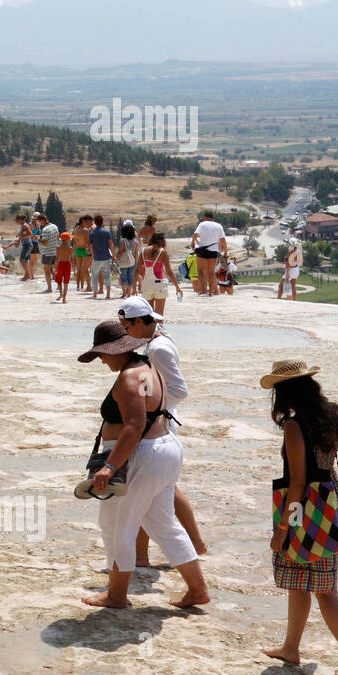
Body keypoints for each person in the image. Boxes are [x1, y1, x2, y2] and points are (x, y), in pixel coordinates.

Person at [76, 320, 210, 609]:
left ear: (116, 350)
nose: (101, 360)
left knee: (116, 526)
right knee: (164, 525)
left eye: (102, 354)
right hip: (165, 449)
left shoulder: (129, 378)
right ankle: (198, 590)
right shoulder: (149, 368)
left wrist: (110, 466)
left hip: (142, 455)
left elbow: (133, 427)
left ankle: (116, 595)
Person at [258, 360, 338, 675]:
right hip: (331, 502)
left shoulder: (295, 425)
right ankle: (290, 647)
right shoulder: (333, 413)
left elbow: (297, 483)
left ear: (285, 393)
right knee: (302, 581)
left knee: (325, 591)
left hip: (303, 509)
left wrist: (283, 529)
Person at [117, 297, 208, 565]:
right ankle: (146, 554)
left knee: (151, 489)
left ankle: (190, 544)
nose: (125, 332)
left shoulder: (158, 349)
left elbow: (180, 390)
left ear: (138, 321)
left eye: (126, 326)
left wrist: (150, 408)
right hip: (156, 419)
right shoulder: (155, 340)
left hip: (159, 422)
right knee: (159, 488)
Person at [134, 232, 182, 316]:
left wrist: (134, 287)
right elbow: (169, 272)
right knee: (159, 315)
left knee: (148, 315)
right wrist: (177, 287)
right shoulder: (163, 252)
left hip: (146, 284)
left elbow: (137, 270)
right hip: (159, 284)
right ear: (163, 241)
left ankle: (150, 329)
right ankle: (159, 329)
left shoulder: (143, 251)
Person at [191, 210, 228, 297]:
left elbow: (195, 235)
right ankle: (211, 292)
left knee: (200, 271)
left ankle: (202, 290)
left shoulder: (202, 224)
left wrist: (193, 242)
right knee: (211, 272)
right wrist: (225, 251)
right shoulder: (219, 226)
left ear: (205, 217)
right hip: (213, 250)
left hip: (202, 249)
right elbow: (223, 240)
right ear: (212, 218)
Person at [88, 214, 114, 300]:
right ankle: (108, 294)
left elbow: (91, 246)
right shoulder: (107, 232)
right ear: (102, 222)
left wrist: (92, 255)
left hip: (97, 257)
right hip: (106, 256)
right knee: (107, 275)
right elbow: (110, 244)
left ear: (95, 222)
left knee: (94, 275)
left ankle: (95, 293)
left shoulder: (92, 233)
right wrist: (113, 254)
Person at [116, 219, 141, 300]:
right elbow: (136, 253)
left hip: (123, 261)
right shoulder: (136, 241)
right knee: (131, 277)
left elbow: (120, 252)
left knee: (123, 277)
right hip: (133, 261)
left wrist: (116, 259)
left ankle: (124, 293)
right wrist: (136, 262)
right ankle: (129, 293)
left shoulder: (122, 241)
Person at [37, 213, 60, 294]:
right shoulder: (55, 226)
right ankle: (59, 286)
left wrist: (38, 239)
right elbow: (57, 237)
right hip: (55, 251)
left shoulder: (45, 230)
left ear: (42, 220)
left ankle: (49, 288)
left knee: (47, 271)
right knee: (53, 270)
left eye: (39, 222)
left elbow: (45, 243)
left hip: (47, 253)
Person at [72, 215, 92, 291]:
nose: (88, 223)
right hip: (84, 249)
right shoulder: (85, 230)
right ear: (83, 221)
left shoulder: (76, 229)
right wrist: (90, 253)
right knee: (85, 269)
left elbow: (74, 242)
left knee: (79, 268)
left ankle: (78, 286)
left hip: (77, 249)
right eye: (87, 221)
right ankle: (85, 286)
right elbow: (87, 243)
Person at [54, 232, 74, 302]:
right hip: (67, 264)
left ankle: (61, 294)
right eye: (69, 238)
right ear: (66, 239)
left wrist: (55, 268)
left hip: (60, 264)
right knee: (66, 282)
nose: (70, 239)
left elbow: (56, 258)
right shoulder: (70, 248)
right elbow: (71, 259)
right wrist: (74, 270)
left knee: (59, 280)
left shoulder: (58, 247)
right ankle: (64, 298)